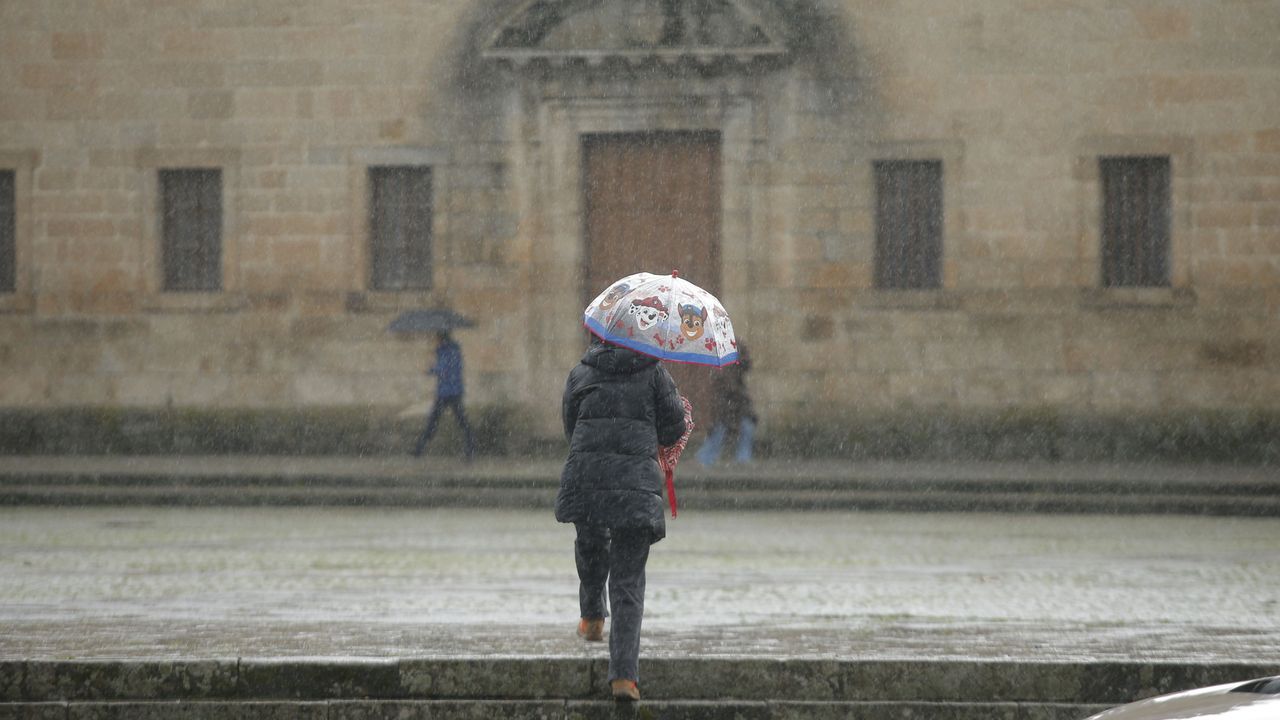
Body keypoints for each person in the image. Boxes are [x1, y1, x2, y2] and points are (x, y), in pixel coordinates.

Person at [555, 335, 687, 702]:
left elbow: (570, 426)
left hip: (588, 475)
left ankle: (593, 615)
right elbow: (674, 428)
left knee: (591, 544)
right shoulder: (655, 373)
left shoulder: (580, 373)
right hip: (635, 485)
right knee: (628, 580)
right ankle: (624, 678)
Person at [411, 331, 475, 461]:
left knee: (435, 422)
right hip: (451, 392)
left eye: (436, 338)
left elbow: (445, 369)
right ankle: (419, 449)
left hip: (449, 392)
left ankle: (419, 449)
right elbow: (448, 368)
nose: (435, 340)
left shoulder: (447, 351)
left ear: (441, 338)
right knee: (456, 422)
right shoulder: (451, 350)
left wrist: (430, 369)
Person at [695, 340, 756, 465]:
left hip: (731, 410)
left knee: (742, 429)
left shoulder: (732, 372)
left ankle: (741, 459)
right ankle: (705, 459)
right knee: (720, 432)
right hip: (725, 411)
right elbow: (728, 392)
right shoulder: (725, 373)